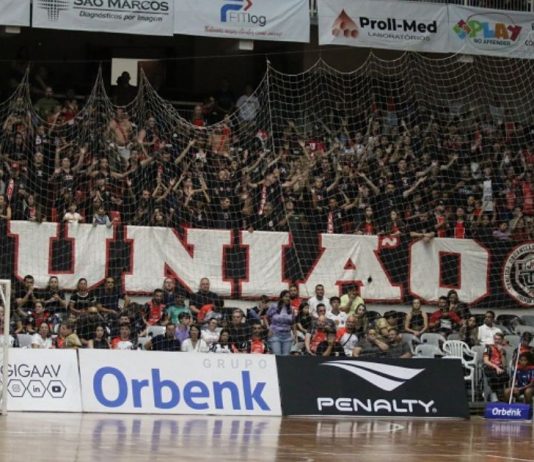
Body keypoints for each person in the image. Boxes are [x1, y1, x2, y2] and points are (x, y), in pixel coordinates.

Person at [266, 290, 295, 356]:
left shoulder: (291, 309)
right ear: (281, 297)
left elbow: (293, 323)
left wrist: (295, 335)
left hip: (287, 336)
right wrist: (269, 328)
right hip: (275, 335)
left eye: (289, 297)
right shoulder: (274, 306)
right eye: (286, 296)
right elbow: (266, 317)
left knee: (285, 357)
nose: (288, 298)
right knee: (277, 356)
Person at [483, 332, 509, 402]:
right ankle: (500, 398)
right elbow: (486, 361)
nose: (496, 341)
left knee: (505, 376)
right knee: (496, 377)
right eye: (495, 339)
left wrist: (501, 353)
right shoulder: (488, 347)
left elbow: (504, 365)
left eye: (499, 339)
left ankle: (496, 396)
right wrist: (496, 368)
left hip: (500, 369)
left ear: (502, 340)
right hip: (490, 368)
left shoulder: (503, 350)